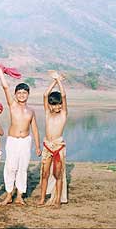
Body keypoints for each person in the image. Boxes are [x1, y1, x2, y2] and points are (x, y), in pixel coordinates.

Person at [0, 64, 41, 206]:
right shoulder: (13, 105)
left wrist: (38, 147)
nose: (22, 95)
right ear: (15, 95)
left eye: (24, 93)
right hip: (13, 141)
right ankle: (9, 194)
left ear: (28, 94)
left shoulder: (31, 111)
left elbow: (34, 129)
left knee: (23, 168)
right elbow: (5, 87)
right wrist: (0, 71)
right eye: (19, 93)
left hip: (25, 141)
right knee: (10, 167)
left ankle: (20, 195)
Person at [38, 70, 68, 208]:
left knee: (58, 174)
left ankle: (57, 201)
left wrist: (60, 82)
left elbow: (63, 95)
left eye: (59, 104)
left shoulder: (63, 114)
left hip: (58, 146)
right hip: (47, 146)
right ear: (50, 105)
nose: (57, 107)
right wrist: (55, 80)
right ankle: (42, 199)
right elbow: (45, 95)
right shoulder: (47, 114)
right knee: (44, 173)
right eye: (54, 104)